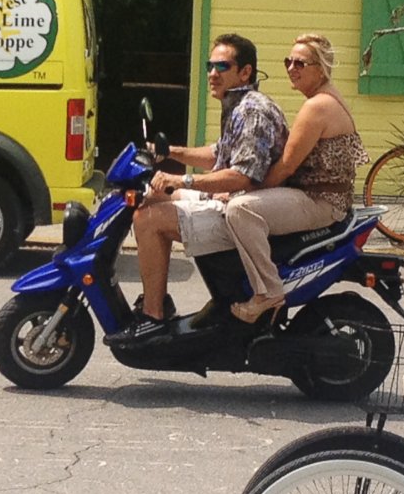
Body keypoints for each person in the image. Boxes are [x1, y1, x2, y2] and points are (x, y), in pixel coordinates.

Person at [134, 34, 290, 323]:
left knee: (149, 219)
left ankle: (152, 314)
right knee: (149, 197)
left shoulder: (252, 110)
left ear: (245, 72)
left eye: (222, 67)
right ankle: (156, 300)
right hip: (229, 199)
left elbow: (243, 175)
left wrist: (182, 180)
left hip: (240, 208)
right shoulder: (239, 106)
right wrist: (170, 152)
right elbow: (221, 154)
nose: (212, 74)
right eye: (210, 66)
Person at [221, 33, 367, 322]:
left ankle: (269, 292)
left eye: (300, 63)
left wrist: (243, 188)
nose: (291, 68)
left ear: (321, 68)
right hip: (322, 197)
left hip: (320, 201)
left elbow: (286, 167)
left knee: (241, 210)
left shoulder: (317, 107)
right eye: (288, 61)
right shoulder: (327, 99)